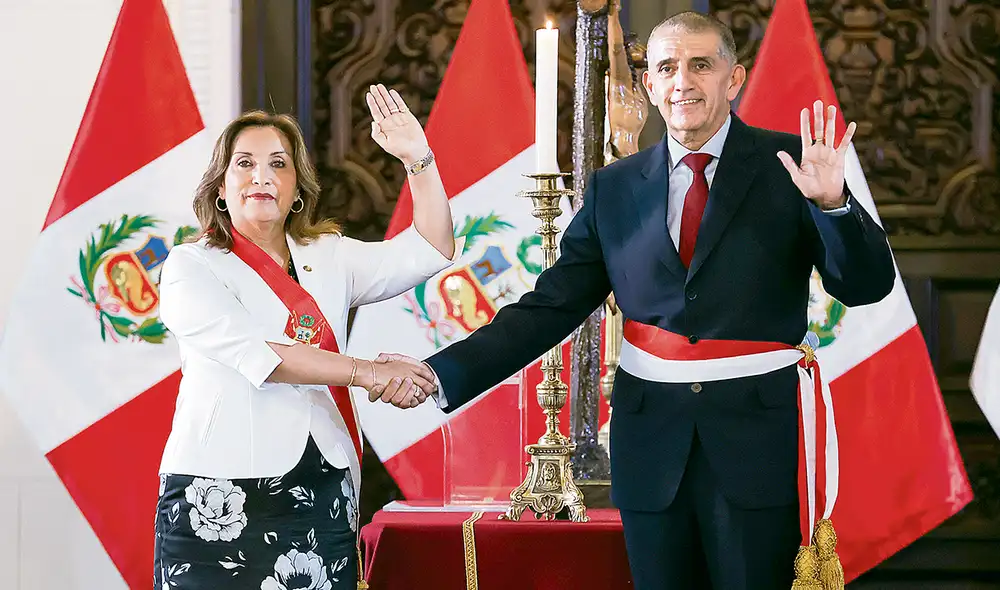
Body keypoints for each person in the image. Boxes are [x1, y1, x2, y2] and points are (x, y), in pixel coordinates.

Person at [374, 12, 896, 590]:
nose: (683, 82)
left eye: (701, 65)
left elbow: (866, 286)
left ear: (734, 78)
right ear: (648, 85)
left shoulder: (793, 167)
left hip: (756, 443)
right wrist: (438, 372)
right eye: (667, 68)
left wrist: (833, 206)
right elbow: (550, 307)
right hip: (652, 447)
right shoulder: (614, 188)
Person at [153, 84, 459, 590]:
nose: (261, 176)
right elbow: (264, 357)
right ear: (220, 188)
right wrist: (370, 372)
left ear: (297, 188)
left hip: (321, 485)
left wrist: (418, 158)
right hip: (215, 492)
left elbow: (431, 246)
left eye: (278, 164)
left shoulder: (330, 255)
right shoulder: (191, 266)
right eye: (244, 164)